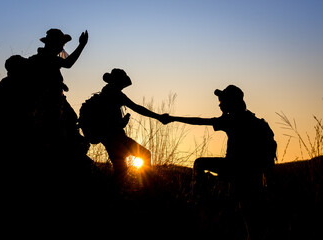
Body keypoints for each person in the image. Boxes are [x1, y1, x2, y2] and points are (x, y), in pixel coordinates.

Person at [162, 85, 277, 239]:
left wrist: (172, 118)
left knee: (200, 164)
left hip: (236, 170)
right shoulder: (256, 121)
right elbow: (269, 158)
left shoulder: (233, 120)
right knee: (249, 215)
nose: (219, 104)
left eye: (222, 101)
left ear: (232, 102)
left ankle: (199, 200)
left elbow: (199, 121)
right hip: (253, 175)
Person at [81, 68, 166, 181]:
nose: (123, 86)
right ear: (118, 81)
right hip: (113, 138)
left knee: (121, 170)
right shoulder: (115, 93)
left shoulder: (106, 92)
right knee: (143, 156)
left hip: (110, 138)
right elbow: (137, 108)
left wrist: (121, 123)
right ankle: (147, 191)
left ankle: (115, 192)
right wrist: (159, 117)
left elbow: (108, 120)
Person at [28, 28, 89, 153]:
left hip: (54, 101)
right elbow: (68, 63)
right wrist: (82, 45)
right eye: (61, 44)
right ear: (54, 43)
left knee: (70, 119)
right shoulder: (45, 57)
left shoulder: (46, 57)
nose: (62, 47)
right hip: (48, 103)